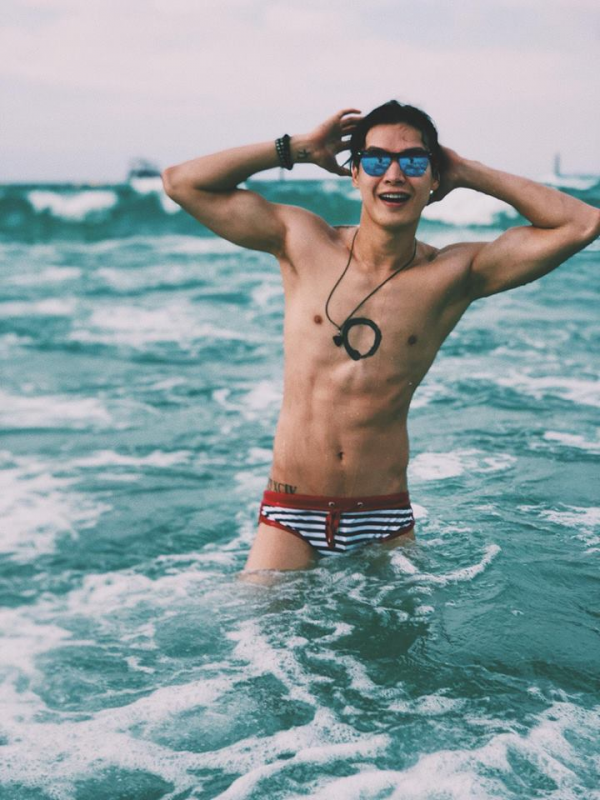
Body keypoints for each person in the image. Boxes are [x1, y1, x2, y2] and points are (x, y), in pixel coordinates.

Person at [162, 101, 600, 572]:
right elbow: (182, 182)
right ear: (355, 174)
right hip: (291, 512)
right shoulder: (303, 242)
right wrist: (298, 148)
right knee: (254, 619)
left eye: (413, 161)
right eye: (375, 160)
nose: (394, 174)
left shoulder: (453, 274)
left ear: (434, 178)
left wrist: (466, 171)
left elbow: (583, 223)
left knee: (402, 625)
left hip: (383, 517)